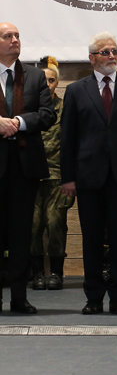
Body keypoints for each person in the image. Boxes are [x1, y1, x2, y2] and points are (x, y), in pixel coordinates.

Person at [61, 33, 117, 314]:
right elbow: (68, 138)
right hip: (88, 177)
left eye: (114, 51)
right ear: (92, 58)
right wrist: (68, 178)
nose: (112, 56)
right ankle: (94, 297)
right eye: (105, 52)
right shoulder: (76, 91)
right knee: (91, 239)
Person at [0, 23, 55, 313]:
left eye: (17, 36)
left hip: (24, 168)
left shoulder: (34, 76)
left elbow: (47, 115)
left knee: (22, 234)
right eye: (7, 36)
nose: (14, 40)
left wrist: (19, 123)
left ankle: (19, 298)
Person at [30, 57, 74, 291]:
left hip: (58, 176)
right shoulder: (27, 108)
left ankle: (56, 272)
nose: (47, 84)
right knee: (33, 224)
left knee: (55, 222)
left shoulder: (66, 108)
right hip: (31, 176)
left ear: (57, 83)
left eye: (51, 80)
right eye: (43, 80)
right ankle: (37, 272)